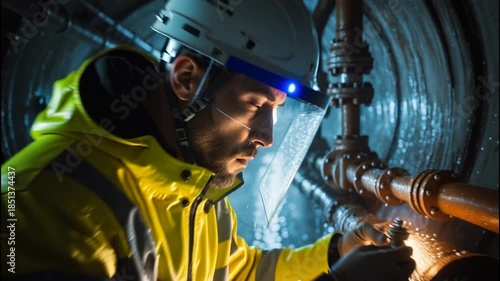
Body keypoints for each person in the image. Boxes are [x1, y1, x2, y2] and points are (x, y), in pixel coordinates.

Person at [1, 0, 416, 280]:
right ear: (186, 79)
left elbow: (244, 274)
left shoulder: (195, 189)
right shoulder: (38, 201)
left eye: (276, 110)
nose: (267, 137)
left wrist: (336, 252)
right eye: (257, 105)